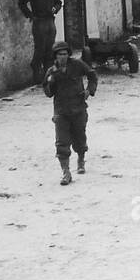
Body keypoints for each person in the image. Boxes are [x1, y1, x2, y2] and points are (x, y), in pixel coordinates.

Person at [42, 40, 97, 186]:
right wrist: (51, 81)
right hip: (61, 111)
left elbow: (92, 75)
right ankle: (66, 172)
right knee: (61, 142)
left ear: (69, 54)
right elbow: (48, 93)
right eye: (60, 54)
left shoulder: (77, 65)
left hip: (78, 108)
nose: (63, 57)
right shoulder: (51, 71)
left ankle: (80, 158)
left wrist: (89, 90)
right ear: (55, 56)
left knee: (79, 136)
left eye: (65, 54)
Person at [17, 0, 62, 82]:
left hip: (50, 22)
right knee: (40, 49)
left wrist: (55, 8)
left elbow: (59, 3)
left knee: (50, 49)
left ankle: (48, 76)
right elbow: (21, 2)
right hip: (39, 22)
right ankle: (36, 76)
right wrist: (30, 15)